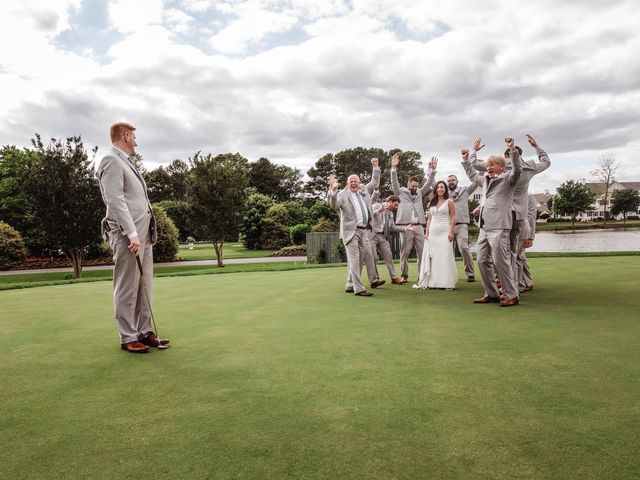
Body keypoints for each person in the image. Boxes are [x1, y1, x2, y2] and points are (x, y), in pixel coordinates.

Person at [96, 122, 169, 353]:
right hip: (129, 234)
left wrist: (144, 232)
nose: (136, 142)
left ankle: (144, 332)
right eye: (134, 137)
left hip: (143, 233)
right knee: (127, 285)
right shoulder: (111, 160)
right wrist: (131, 233)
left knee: (144, 283)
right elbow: (114, 200)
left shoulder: (126, 161)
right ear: (126, 136)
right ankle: (128, 336)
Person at [471, 134, 550, 293]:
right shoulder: (529, 167)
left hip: (508, 217)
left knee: (508, 255)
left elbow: (473, 164)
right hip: (515, 217)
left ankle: (512, 287)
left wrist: (474, 151)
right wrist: (536, 147)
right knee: (513, 254)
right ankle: (515, 284)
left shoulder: (510, 169)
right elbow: (546, 162)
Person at [462, 137, 522, 307]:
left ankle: (511, 294)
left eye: (492, 165)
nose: (489, 167)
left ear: (501, 167)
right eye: (488, 165)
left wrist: (512, 150)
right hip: (484, 226)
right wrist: (468, 157)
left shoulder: (508, 180)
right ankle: (491, 293)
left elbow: (517, 171)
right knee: (482, 260)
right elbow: (473, 174)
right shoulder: (484, 180)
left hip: (500, 227)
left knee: (501, 262)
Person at [327, 170, 380, 297]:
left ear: (359, 183)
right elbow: (333, 205)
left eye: (356, 181)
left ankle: (350, 284)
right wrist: (333, 191)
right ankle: (359, 289)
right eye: (351, 181)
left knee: (359, 259)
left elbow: (374, 183)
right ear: (347, 183)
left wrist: (375, 168)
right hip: (350, 231)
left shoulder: (363, 192)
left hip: (364, 230)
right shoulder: (342, 194)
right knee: (355, 260)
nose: (353, 183)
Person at [390, 154, 437, 284]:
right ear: (408, 184)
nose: (414, 188)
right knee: (404, 252)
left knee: (422, 252)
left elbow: (428, 184)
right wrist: (393, 168)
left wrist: (433, 170)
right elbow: (394, 183)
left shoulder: (420, 193)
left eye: (416, 186)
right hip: (406, 227)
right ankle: (404, 275)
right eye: (412, 186)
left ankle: (421, 275)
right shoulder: (400, 192)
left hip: (419, 226)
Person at [415, 180, 458, 289]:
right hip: (433, 233)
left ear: (445, 189)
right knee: (433, 257)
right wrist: (427, 232)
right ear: (435, 189)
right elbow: (429, 219)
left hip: (445, 231)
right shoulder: (432, 202)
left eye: (442, 187)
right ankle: (433, 281)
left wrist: (451, 232)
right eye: (438, 187)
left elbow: (453, 217)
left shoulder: (449, 201)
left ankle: (446, 282)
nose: (440, 189)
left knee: (445, 255)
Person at [447, 171, 478, 282]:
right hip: (448, 226)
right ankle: (447, 274)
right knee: (447, 250)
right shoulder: (444, 194)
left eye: (453, 180)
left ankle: (470, 273)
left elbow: (476, 182)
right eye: (449, 181)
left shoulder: (465, 190)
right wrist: (431, 171)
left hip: (461, 225)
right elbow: (433, 185)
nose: (451, 182)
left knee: (464, 248)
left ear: (457, 181)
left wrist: (480, 170)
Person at [369, 195, 404, 284]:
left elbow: (392, 227)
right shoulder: (376, 205)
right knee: (374, 257)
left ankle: (394, 278)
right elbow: (368, 214)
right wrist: (379, 211)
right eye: (395, 205)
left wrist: (406, 228)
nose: (396, 207)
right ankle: (375, 278)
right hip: (371, 236)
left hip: (382, 237)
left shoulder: (390, 213)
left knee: (389, 256)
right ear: (390, 202)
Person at [518, 193, 537, 293]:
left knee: (519, 256)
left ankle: (526, 282)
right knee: (519, 256)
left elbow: (531, 217)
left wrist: (530, 237)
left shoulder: (529, 197)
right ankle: (524, 282)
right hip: (511, 231)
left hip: (523, 231)